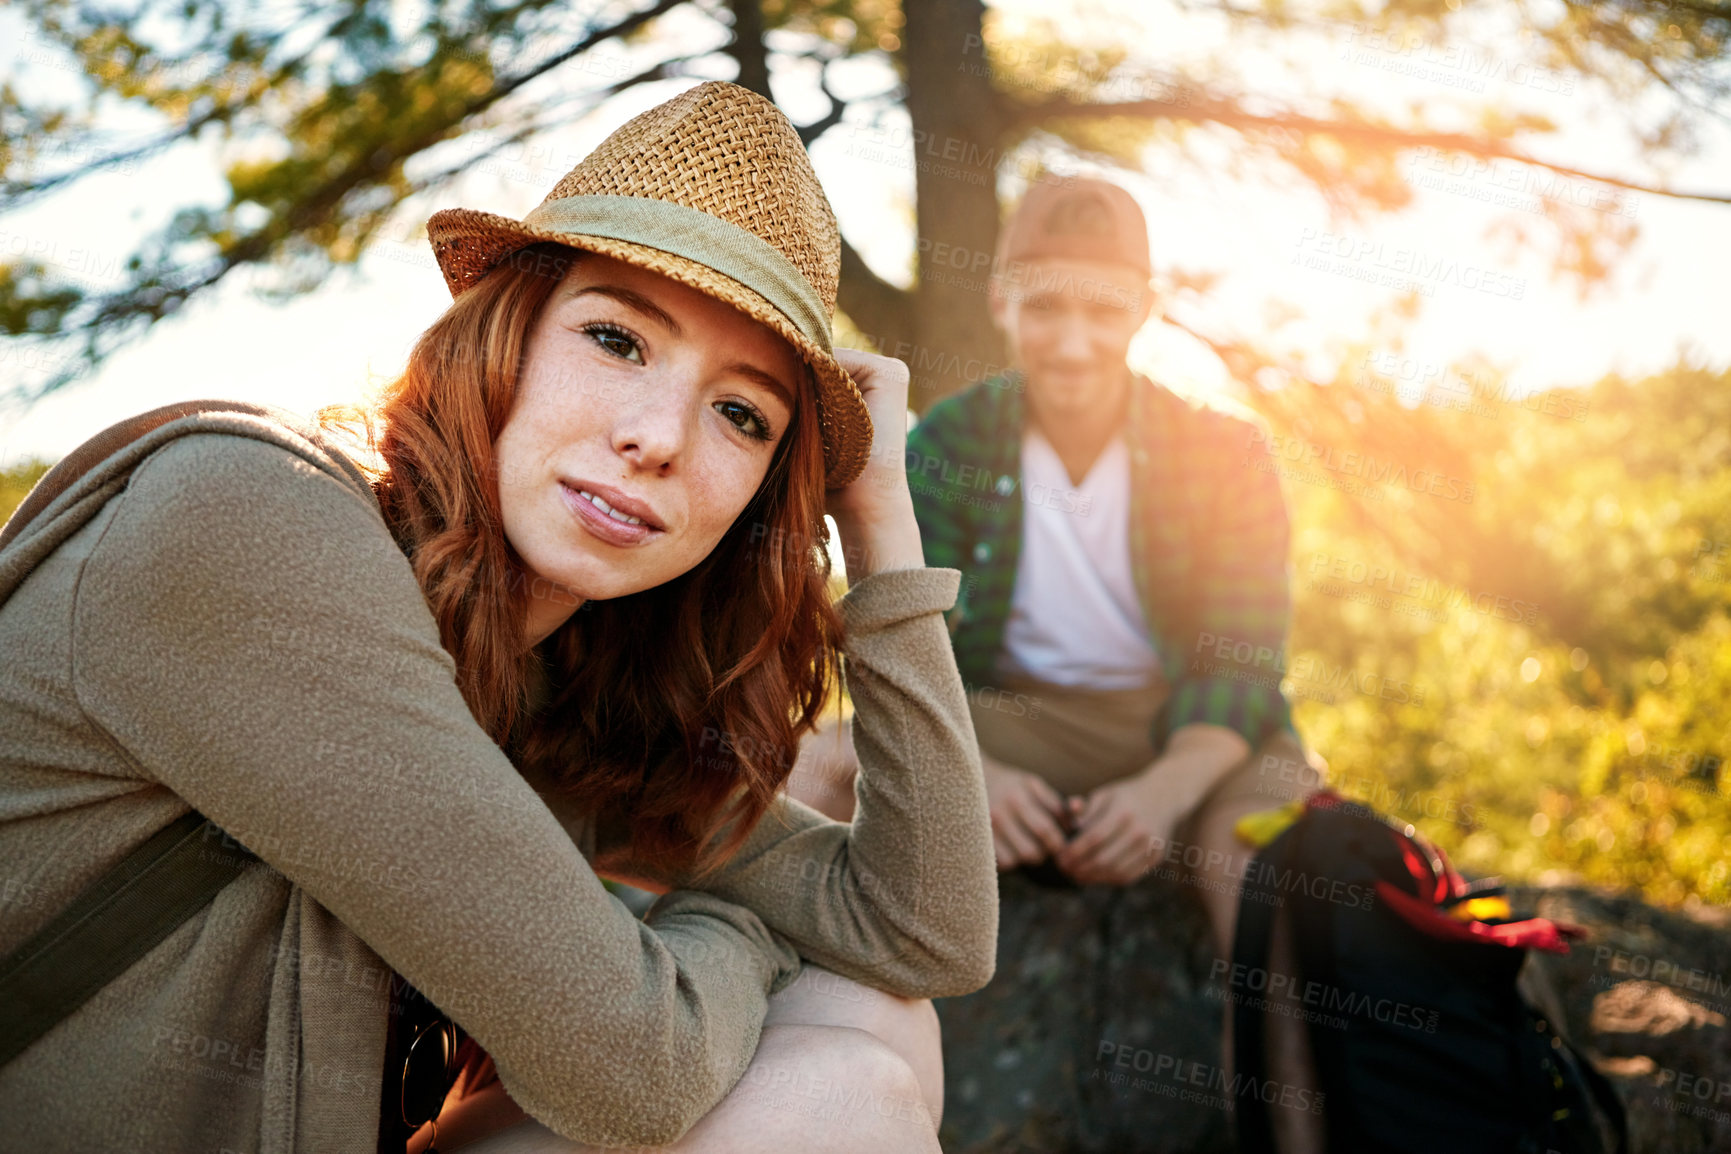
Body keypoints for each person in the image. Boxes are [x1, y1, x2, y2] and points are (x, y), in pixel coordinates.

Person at [0, 81, 997, 1154]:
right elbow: (637, 1069)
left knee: (877, 1013)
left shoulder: (553, 683)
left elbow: (922, 931)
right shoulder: (246, 523)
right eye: (617, 339)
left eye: (740, 413)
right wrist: (736, 933)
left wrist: (882, 517)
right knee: (838, 1086)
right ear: (500, 336)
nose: (658, 436)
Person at [786, 175, 1325, 1150]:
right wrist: (964, 776)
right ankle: (814, 1102)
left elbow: (1242, 662)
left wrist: (1165, 792)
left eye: (1102, 307)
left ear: (1143, 309)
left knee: (1268, 850)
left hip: (1191, 726)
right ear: (1002, 300)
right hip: (1011, 712)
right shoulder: (946, 442)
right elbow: (906, 642)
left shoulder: (1227, 452)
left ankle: (1288, 1136)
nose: (1072, 339)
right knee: (809, 767)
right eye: (1044, 305)